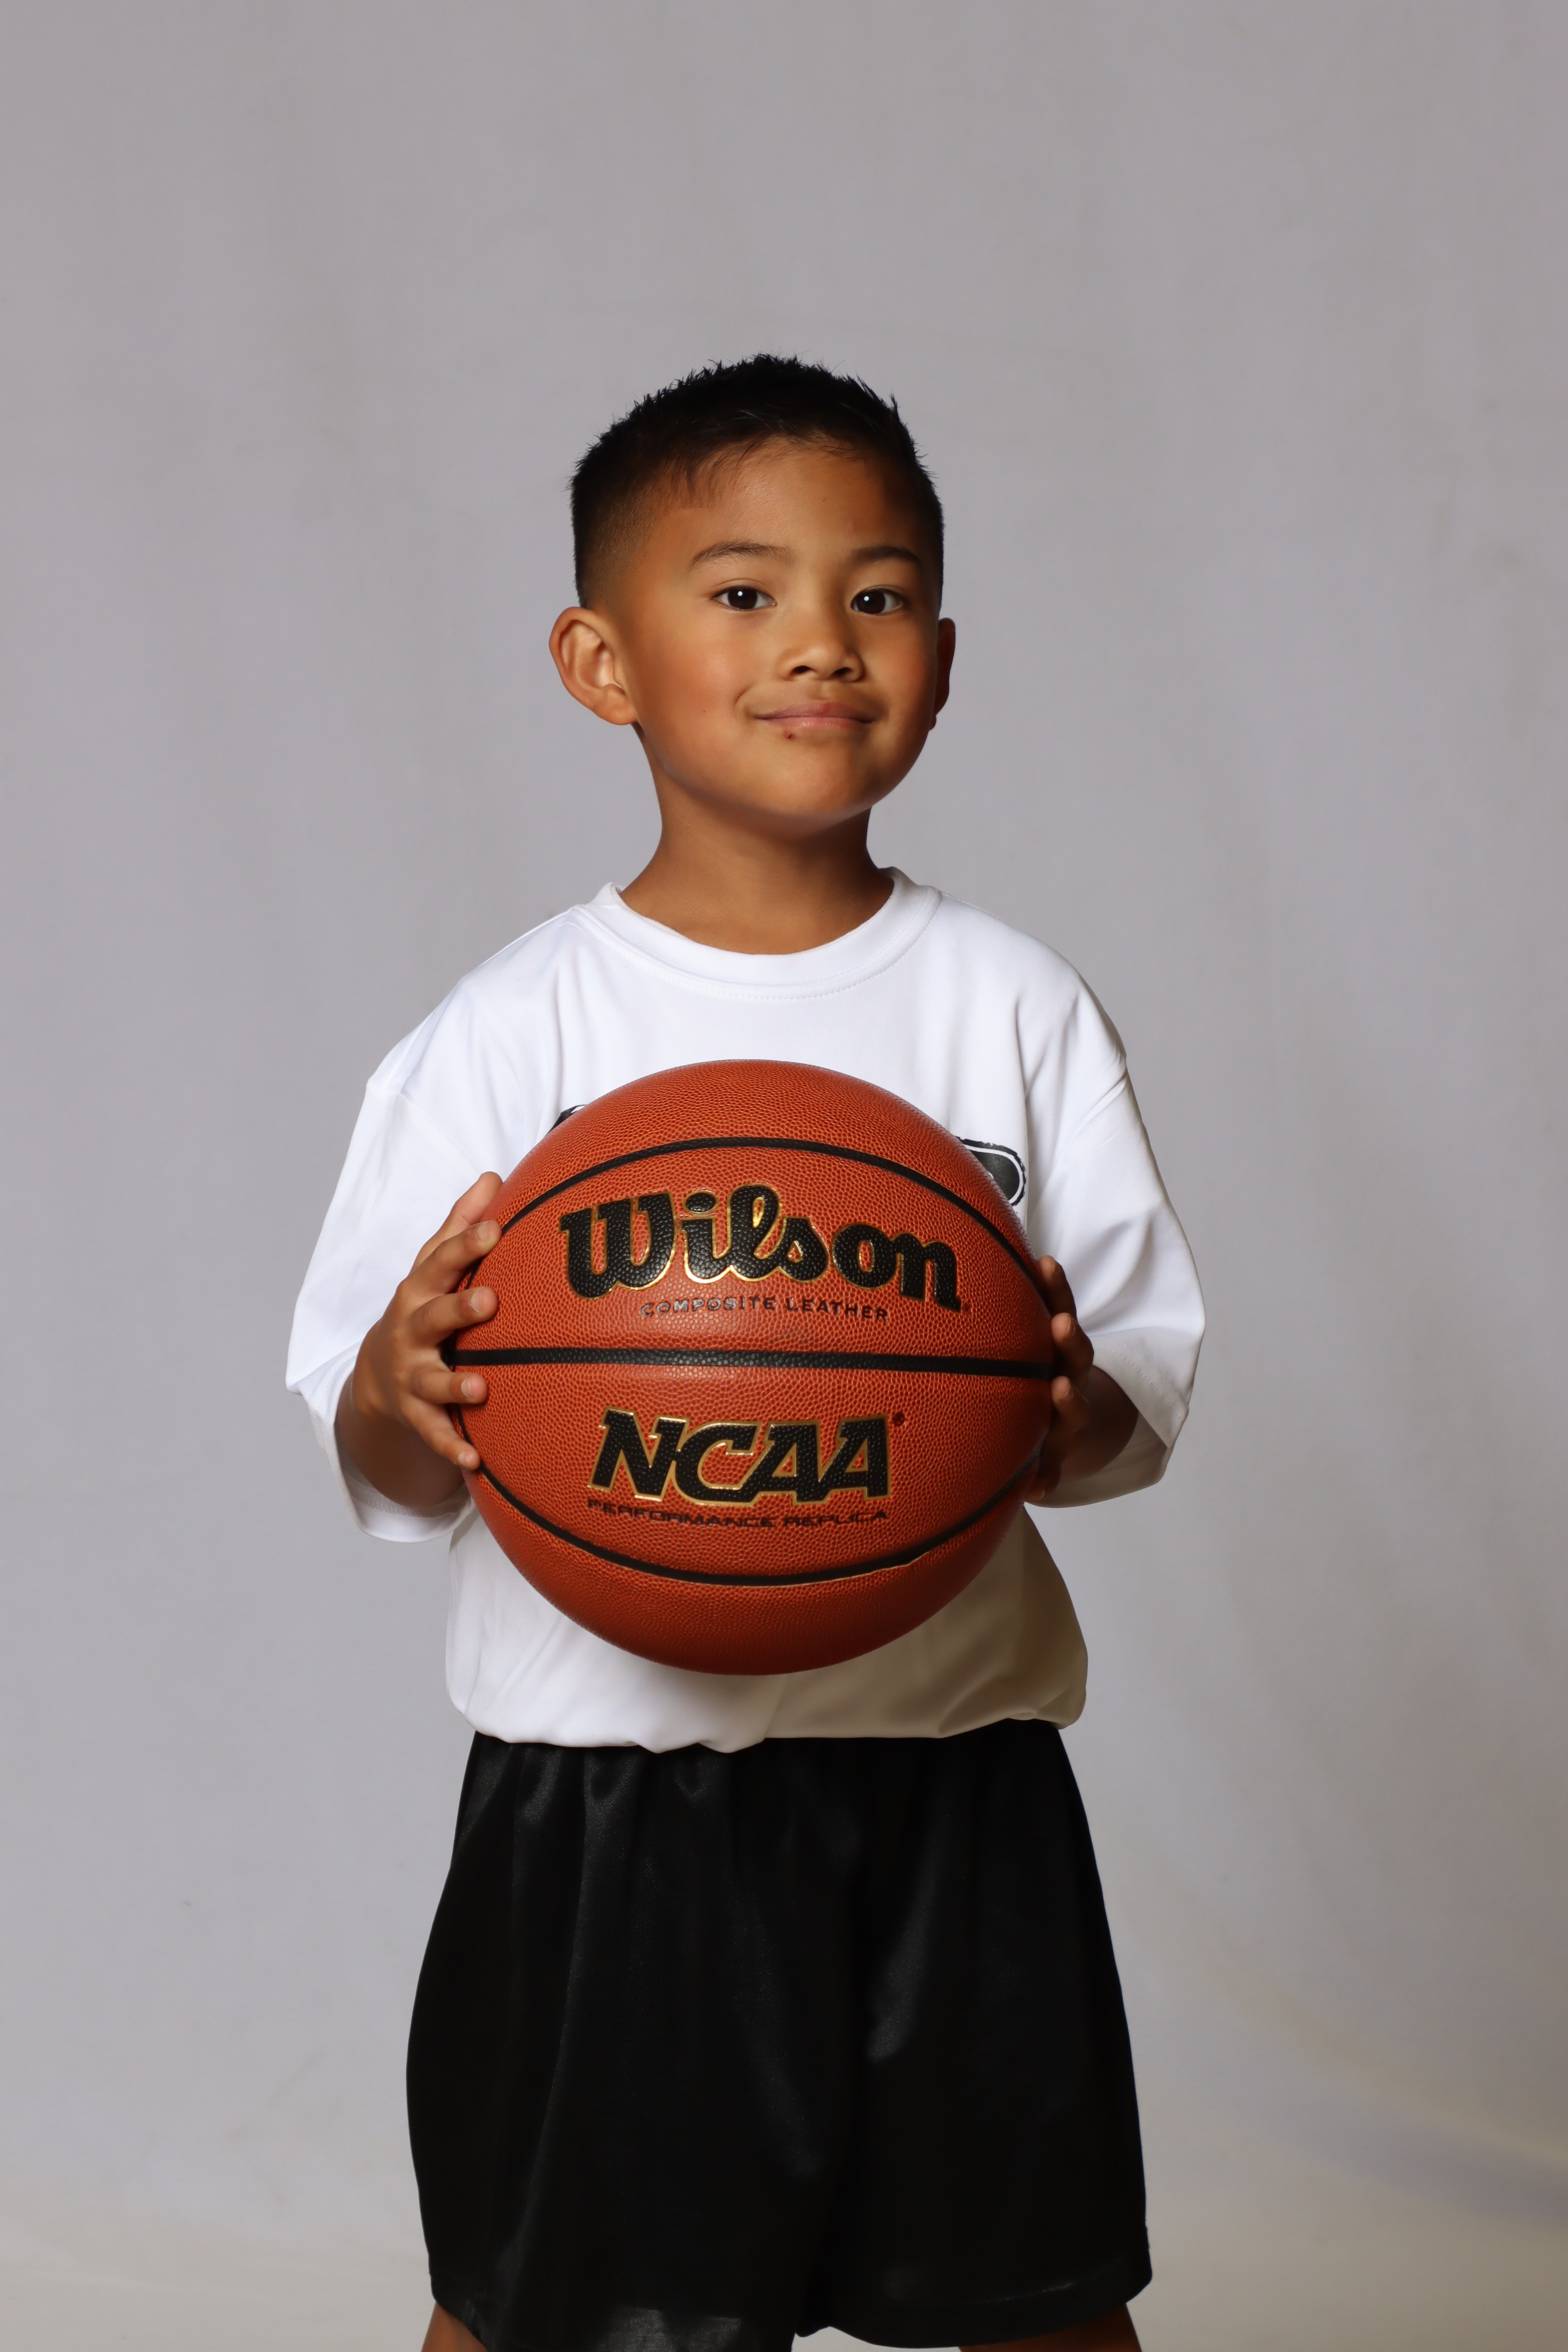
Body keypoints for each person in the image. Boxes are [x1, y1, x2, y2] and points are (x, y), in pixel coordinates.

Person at [287, 356, 1204, 2352]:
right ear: (598, 662)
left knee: (1040, 2299)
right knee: (549, 2311)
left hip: (953, 1773)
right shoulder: (513, 1030)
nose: (819, 642)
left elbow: (1132, 1384)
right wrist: (401, 1388)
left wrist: (1056, 1410)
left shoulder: (1011, 1006)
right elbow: (378, 1438)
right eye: (741, 592)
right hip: (616, 1798)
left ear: (942, 661)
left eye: (878, 596)